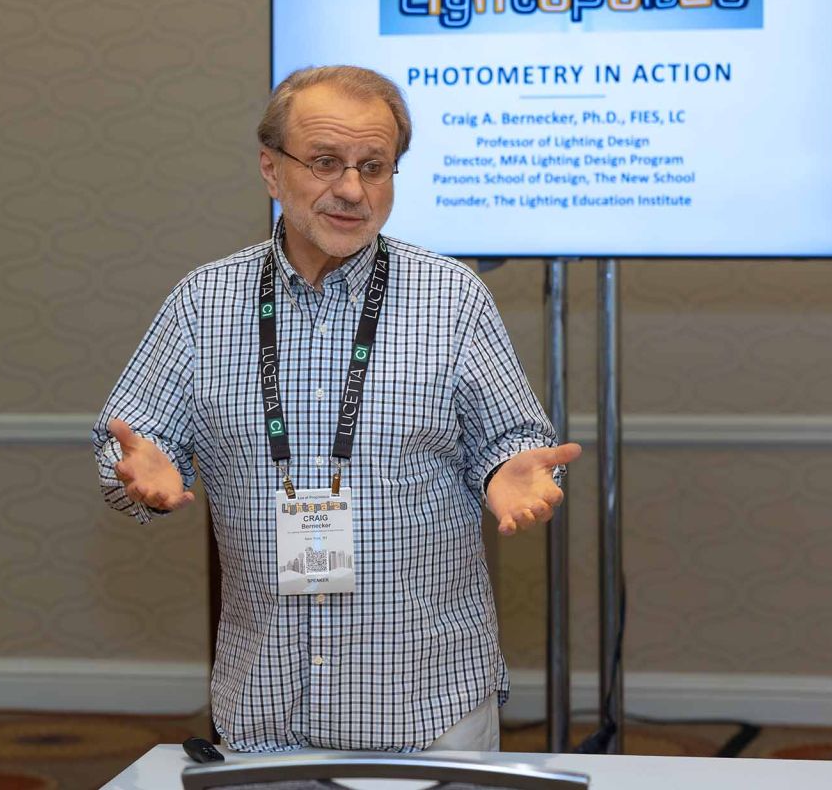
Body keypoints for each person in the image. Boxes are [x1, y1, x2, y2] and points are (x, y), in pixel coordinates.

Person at [94, 65, 580, 753]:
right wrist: (139, 475)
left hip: (427, 706)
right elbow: (133, 446)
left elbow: (512, 442)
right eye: (325, 162)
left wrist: (508, 472)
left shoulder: (452, 298)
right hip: (264, 706)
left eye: (373, 167)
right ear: (271, 169)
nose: (352, 189)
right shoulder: (204, 302)